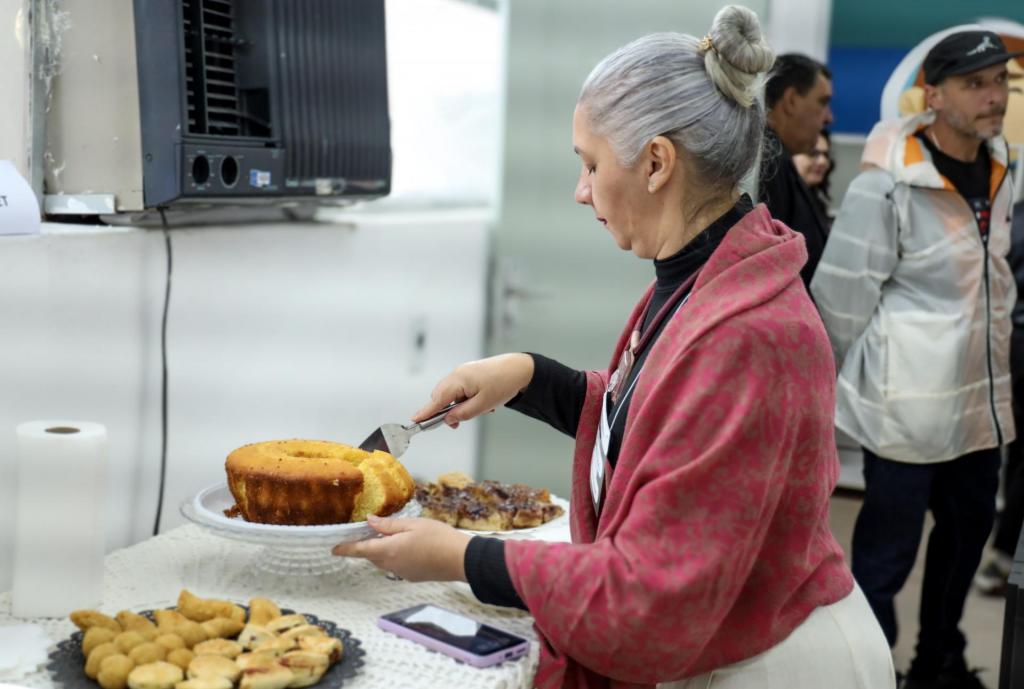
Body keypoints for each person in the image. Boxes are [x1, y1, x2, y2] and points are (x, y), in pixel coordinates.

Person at [334, 7, 894, 689]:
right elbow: (661, 422)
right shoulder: (705, 276)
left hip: (772, 663)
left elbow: (647, 594)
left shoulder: (747, 334)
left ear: (657, 162)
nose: (580, 192)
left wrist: (461, 555)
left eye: (591, 164)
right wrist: (532, 376)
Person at [810, 29, 1021, 689]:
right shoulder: (889, 185)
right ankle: (870, 673)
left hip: (981, 409)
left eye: (1000, 83)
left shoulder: (1003, 167)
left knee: (963, 547)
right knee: (884, 559)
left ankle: (938, 660)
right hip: (906, 412)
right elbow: (839, 303)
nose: (994, 97)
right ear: (934, 94)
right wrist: (812, 407)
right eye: (976, 84)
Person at [976, 198, 1024, 596]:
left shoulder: (1015, 213)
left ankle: (1003, 549)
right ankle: (1005, 554)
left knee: (1017, 448)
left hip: (1012, 342)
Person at [758, 53, 834, 288]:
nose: (829, 117)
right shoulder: (767, 164)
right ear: (791, 100)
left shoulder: (776, 160)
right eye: (822, 102)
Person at [792, 129, 834, 228]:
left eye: (826, 155)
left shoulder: (816, 202)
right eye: (813, 153)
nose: (823, 162)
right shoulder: (781, 204)